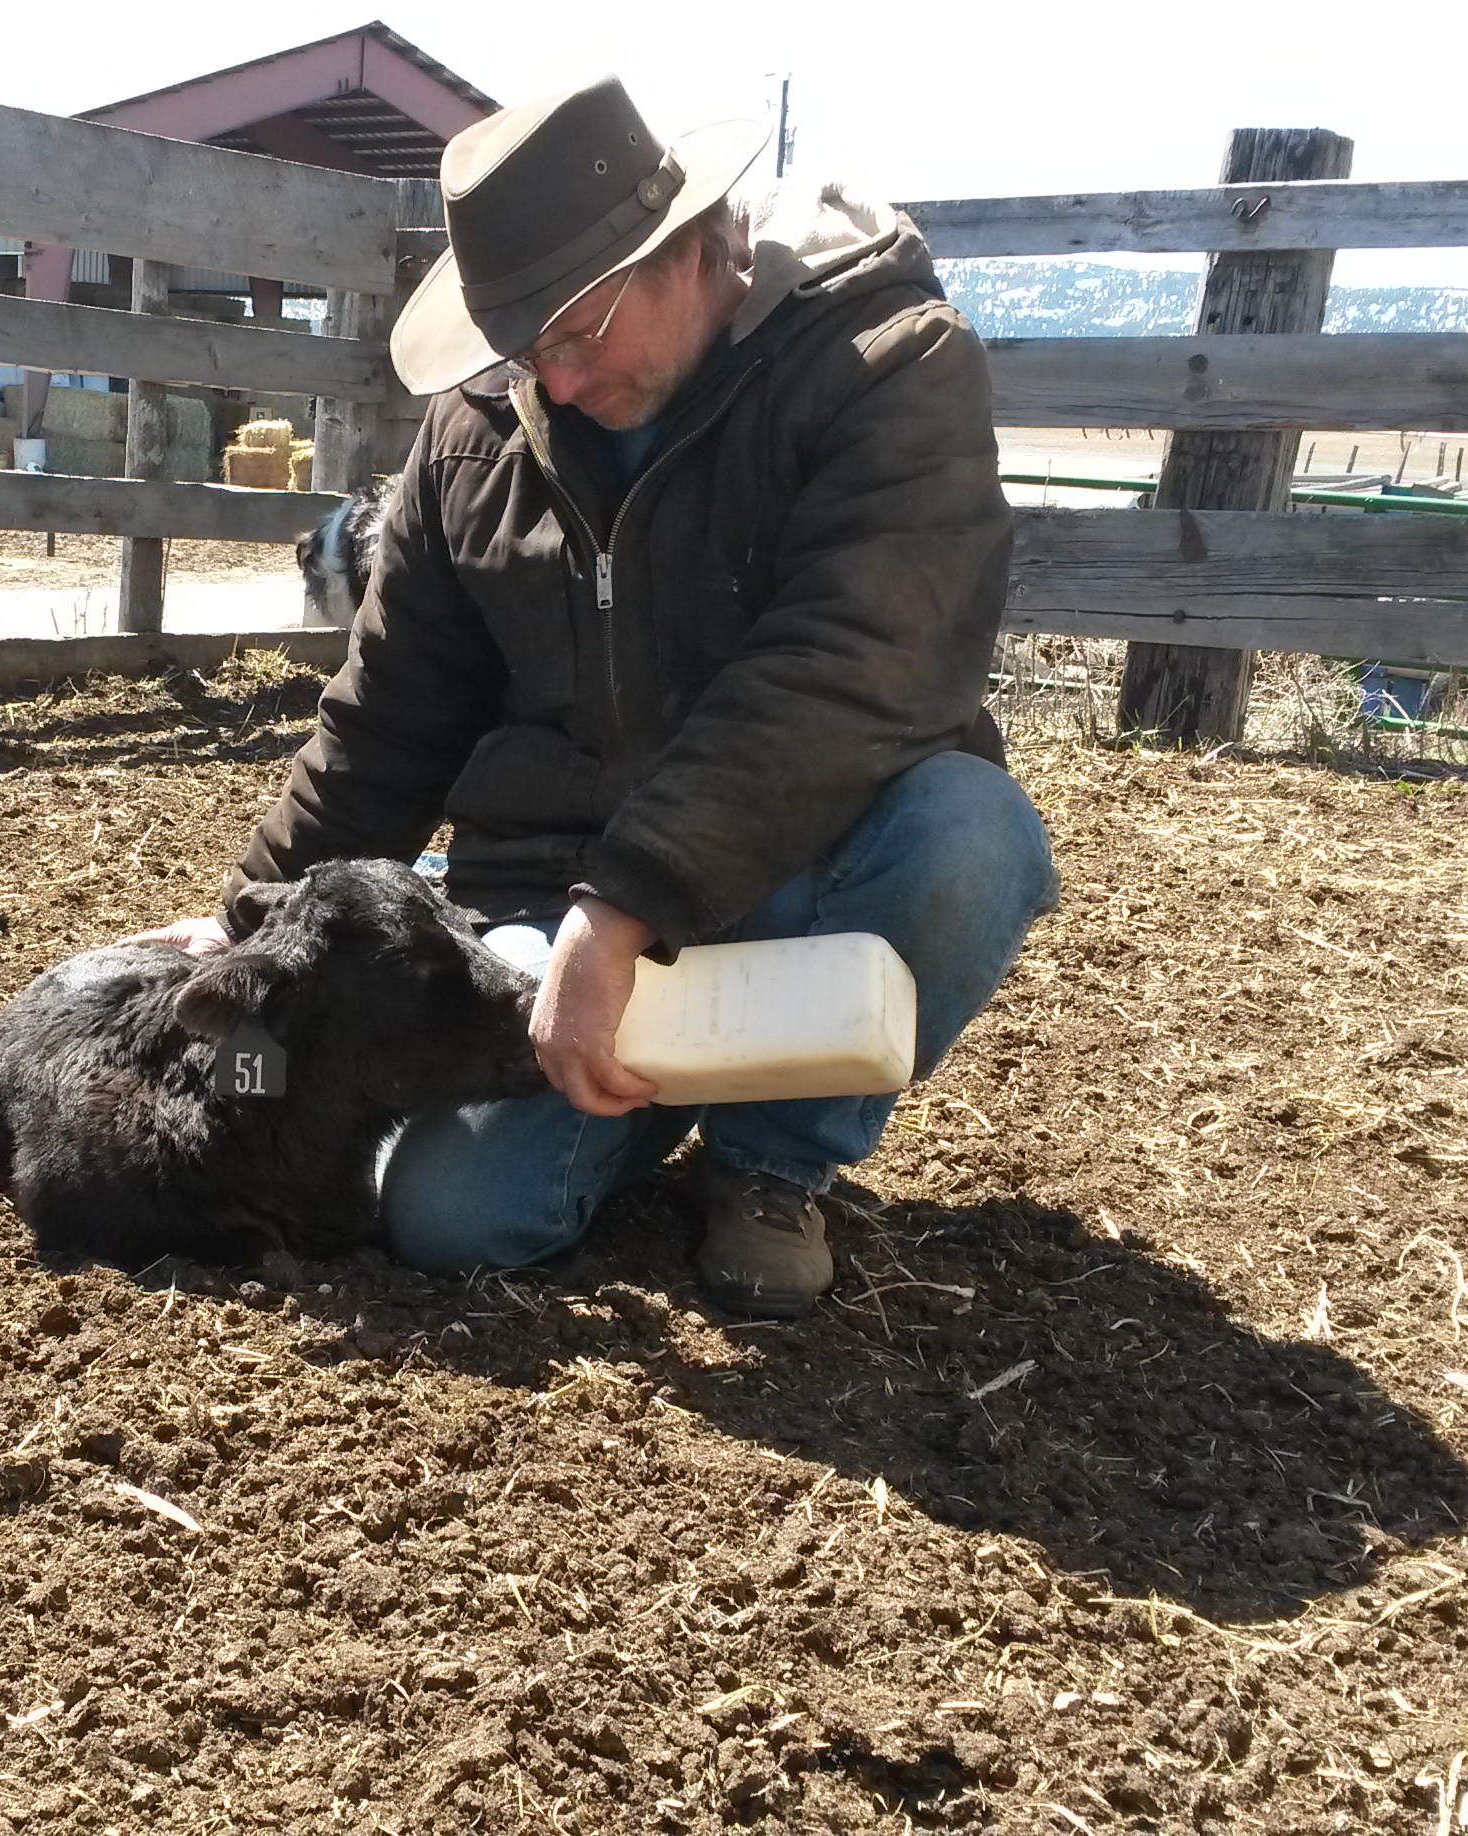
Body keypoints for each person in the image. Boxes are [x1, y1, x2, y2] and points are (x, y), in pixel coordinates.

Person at [137, 76, 1058, 1317]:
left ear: (692, 249)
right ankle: (648, 1102)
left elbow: (848, 667)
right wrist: (250, 916)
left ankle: (770, 1163)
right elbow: (393, 712)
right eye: (525, 351)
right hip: (547, 884)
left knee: (969, 836)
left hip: (808, 867)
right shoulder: (478, 434)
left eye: (576, 334)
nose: (554, 385)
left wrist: (620, 916)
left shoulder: (883, 368)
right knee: (456, 1220)